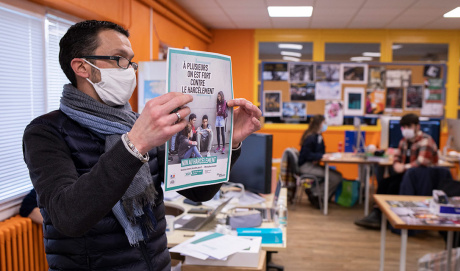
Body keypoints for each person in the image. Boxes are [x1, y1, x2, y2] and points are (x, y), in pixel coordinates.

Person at [22, 20, 262, 271]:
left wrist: (231, 142)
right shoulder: (45, 132)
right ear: (82, 66)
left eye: (130, 61)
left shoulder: (138, 124)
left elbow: (198, 192)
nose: (129, 70)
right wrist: (134, 144)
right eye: (119, 59)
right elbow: (68, 217)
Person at [355, 113, 439, 229]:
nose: (406, 130)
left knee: (393, 186)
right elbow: (397, 156)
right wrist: (396, 164)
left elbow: (421, 162)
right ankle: (377, 213)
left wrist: (403, 167)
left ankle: (384, 216)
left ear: (417, 126)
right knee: (385, 183)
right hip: (406, 175)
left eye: (409, 127)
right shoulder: (404, 141)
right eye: (404, 127)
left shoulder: (426, 141)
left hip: (421, 178)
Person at [298, 115, 343, 201]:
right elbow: (306, 154)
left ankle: (317, 194)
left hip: (312, 165)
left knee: (337, 176)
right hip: (306, 166)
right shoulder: (310, 137)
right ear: (319, 124)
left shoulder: (318, 136)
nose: (325, 125)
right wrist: (320, 156)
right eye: (324, 123)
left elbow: (320, 151)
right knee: (335, 177)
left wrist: (322, 155)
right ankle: (316, 194)